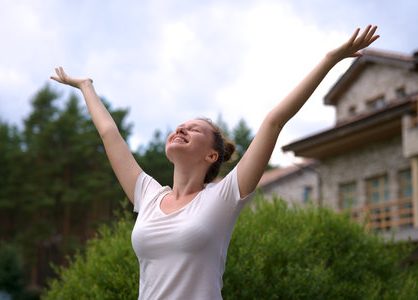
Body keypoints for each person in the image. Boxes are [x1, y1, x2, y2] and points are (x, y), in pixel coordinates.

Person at [50, 25, 379, 299]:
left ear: (212, 156)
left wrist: (329, 60)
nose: (181, 128)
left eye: (194, 129)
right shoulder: (148, 195)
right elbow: (110, 135)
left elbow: (274, 120)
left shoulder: (222, 198)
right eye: (180, 126)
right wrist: (86, 87)